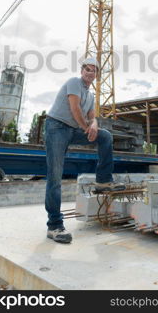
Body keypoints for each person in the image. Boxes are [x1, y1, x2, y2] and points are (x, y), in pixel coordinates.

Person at [44, 57, 125, 243]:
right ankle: (54, 226)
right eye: (87, 69)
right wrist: (87, 128)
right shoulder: (74, 83)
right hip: (56, 127)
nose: (90, 73)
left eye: (94, 71)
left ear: (97, 75)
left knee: (105, 136)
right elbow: (74, 109)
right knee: (55, 175)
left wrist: (94, 124)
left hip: (73, 130)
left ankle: (103, 181)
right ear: (82, 71)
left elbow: (91, 116)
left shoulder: (90, 95)